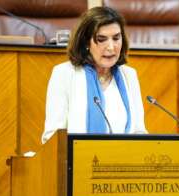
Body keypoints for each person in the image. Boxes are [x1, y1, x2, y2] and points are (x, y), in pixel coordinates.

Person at [42, 6, 147, 143]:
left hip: (123, 160)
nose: (111, 47)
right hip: (78, 162)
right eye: (102, 39)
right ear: (86, 42)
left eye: (116, 38)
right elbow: (52, 138)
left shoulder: (129, 75)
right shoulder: (64, 74)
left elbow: (139, 132)